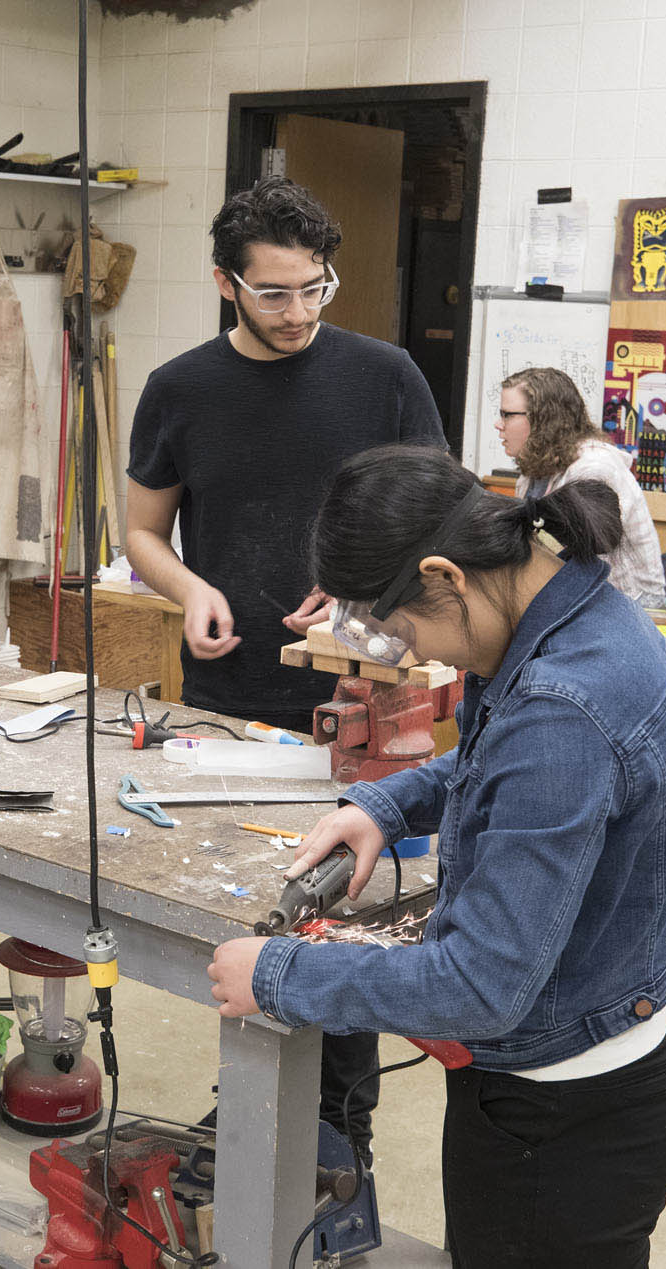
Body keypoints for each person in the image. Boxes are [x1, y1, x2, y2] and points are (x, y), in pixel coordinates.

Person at [206, 446, 666, 1267]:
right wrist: (386, 806)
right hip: (594, 1072)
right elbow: (493, 757)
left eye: (404, 633)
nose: (420, 657)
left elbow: (480, 985)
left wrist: (279, 975)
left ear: (447, 575)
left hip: (557, 1121)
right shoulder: (577, 619)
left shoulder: (561, 705)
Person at [125, 176, 446, 1164]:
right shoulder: (180, 388)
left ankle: (336, 1124)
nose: (299, 312)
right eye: (273, 293)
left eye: (315, 287)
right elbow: (140, 530)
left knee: (346, 915)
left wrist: (360, 602)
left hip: (362, 696)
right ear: (225, 283)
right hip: (229, 699)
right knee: (249, 908)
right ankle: (259, 1094)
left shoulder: (384, 376)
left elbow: (437, 521)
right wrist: (188, 590)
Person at [496, 366, 666, 609]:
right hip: (582, 601)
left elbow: (589, 569)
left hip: (628, 609)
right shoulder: (532, 474)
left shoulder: (593, 470)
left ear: (542, 419)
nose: (498, 424)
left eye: (507, 415)